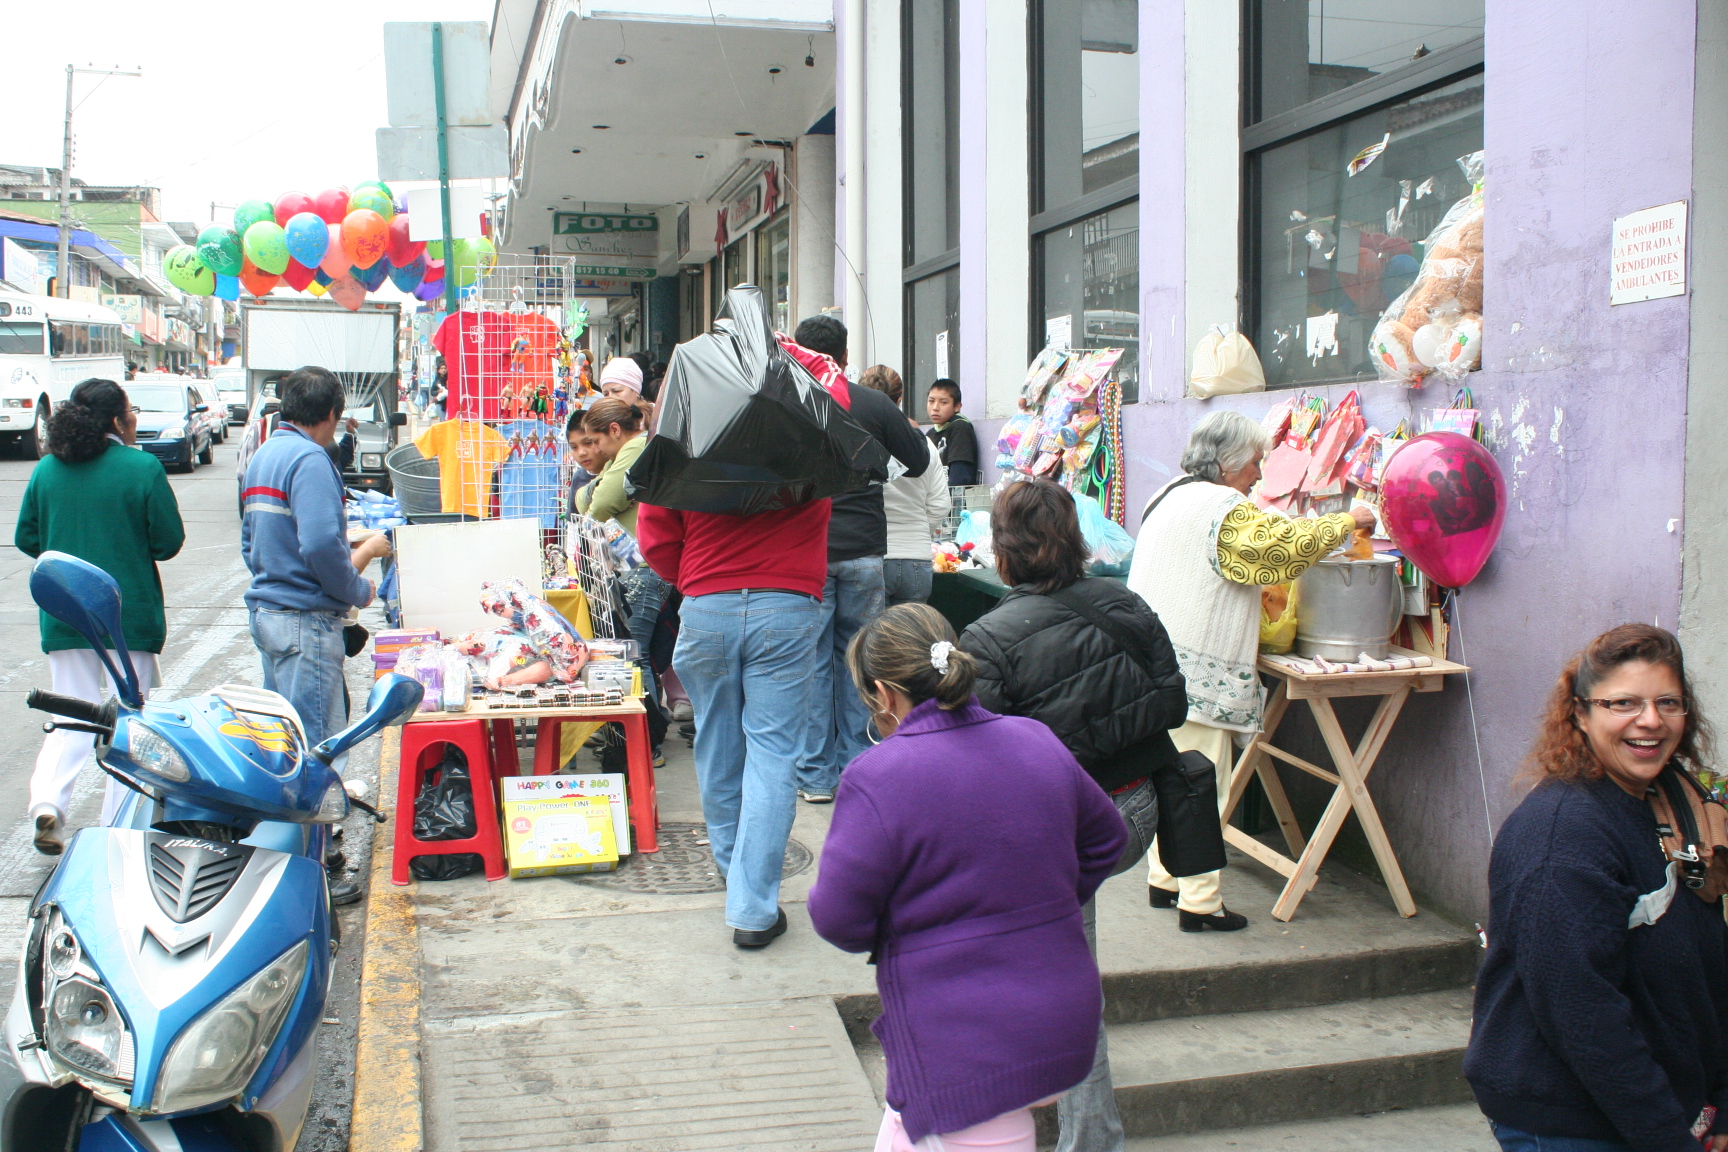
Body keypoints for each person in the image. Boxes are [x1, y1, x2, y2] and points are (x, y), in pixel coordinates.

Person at [809, 603, 1128, 1152]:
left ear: (885, 695)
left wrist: (905, 933)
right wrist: (1043, 904)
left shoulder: (878, 776)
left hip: (965, 1041)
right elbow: (1108, 839)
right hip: (1060, 1014)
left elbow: (838, 916)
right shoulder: (1036, 739)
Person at [957, 478, 1186, 1152]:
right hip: (1138, 812)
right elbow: (1172, 704)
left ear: (1002, 553)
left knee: (1066, 983)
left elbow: (983, 763)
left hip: (1064, 830)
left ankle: (1091, 1137)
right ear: (1076, 540)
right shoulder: (1126, 602)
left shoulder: (989, 637)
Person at [1464, 624, 1728, 1152]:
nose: (1650, 720)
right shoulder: (1562, 837)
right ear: (1580, 715)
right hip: (1572, 1118)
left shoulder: (1669, 798)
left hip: (1659, 1108)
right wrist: (1667, 1138)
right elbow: (1583, 1015)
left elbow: (1702, 968)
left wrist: (1717, 1099)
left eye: (1667, 702)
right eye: (1623, 703)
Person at [1126, 410, 1375, 931]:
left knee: (1169, 777)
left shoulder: (1168, 493)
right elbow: (1279, 553)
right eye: (1257, 462)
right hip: (1194, 673)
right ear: (1229, 462)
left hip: (1151, 665)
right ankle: (1200, 902)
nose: (1260, 474)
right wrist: (1346, 523)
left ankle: (1165, 880)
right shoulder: (1225, 509)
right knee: (1202, 787)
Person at [637, 485, 828, 948]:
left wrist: (696, 578)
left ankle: (732, 871)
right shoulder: (814, 428)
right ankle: (752, 906)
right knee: (773, 756)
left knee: (717, 743)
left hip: (708, 603)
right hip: (787, 601)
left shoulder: (691, 429)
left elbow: (656, 536)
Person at [16, 379, 185, 853]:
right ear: (117, 420)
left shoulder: (47, 470)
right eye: (129, 412)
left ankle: (49, 804)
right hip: (128, 620)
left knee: (67, 714)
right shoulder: (142, 468)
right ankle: (118, 827)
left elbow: (29, 539)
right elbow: (167, 542)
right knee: (127, 724)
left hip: (65, 616)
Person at [787, 316, 931, 805]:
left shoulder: (784, 403)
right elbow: (918, 460)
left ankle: (814, 775)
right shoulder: (871, 403)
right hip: (865, 553)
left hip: (806, 555)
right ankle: (857, 766)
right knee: (861, 664)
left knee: (812, 665)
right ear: (845, 357)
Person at [241, 366, 390, 754]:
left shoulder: (265, 454)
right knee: (316, 747)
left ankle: (292, 815)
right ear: (331, 415)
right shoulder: (310, 459)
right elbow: (322, 545)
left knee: (285, 745)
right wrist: (356, 589)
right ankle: (311, 818)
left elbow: (249, 541)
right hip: (303, 622)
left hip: (268, 614)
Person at [573, 398, 669, 766]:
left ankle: (647, 740)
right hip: (637, 565)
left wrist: (597, 492)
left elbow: (597, 506)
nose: (592, 451)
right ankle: (641, 735)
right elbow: (591, 498)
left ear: (615, 430)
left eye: (595, 441)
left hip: (643, 566)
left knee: (634, 655)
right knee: (634, 652)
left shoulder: (635, 450)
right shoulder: (628, 453)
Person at [861, 366, 949, 607]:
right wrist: (918, 530)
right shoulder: (925, 444)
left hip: (872, 557)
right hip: (917, 559)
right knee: (909, 640)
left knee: (871, 641)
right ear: (899, 400)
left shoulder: (857, 442)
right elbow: (940, 505)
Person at [925, 379, 979, 486]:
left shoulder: (960, 427)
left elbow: (960, 476)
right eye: (931, 401)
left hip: (953, 499)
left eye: (943, 402)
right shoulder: (930, 434)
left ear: (957, 406)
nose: (935, 408)